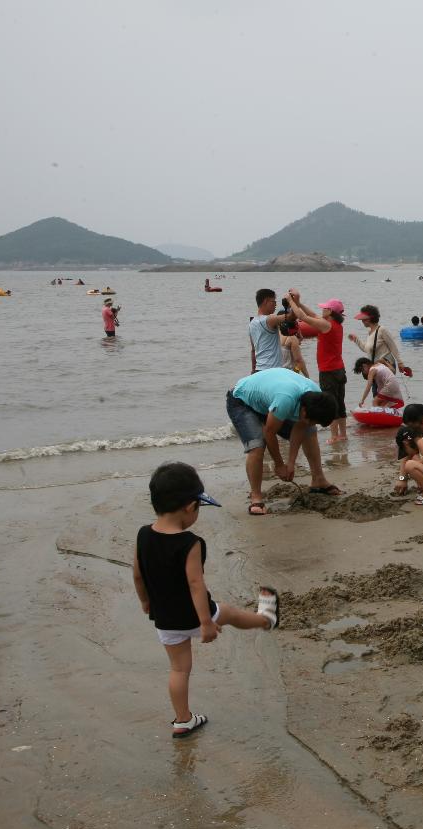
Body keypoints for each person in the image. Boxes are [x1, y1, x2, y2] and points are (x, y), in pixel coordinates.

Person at [133, 462, 279, 739]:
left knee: (178, 669)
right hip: (195, 615)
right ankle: (266, 619)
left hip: (163, 618)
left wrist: (144, 602)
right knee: (233, 615)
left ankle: (183, 720)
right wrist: (205, 623)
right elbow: (195, 584)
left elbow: (138, 574)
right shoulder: (190, 543)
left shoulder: (143, 534)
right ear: (190, 507)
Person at [225, 367, 341, 516]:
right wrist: (279, 464)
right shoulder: (285, 399)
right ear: (304, 411)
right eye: (313, 420)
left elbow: (301, 427)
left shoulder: (317, 397)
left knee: (309, 431)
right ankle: (256, 497)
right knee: (257, 446)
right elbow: (269, 432)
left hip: (270, 400)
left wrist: (291, 463)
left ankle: (318, 480)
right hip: (241, 401)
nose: (313, 423)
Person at [287, 290, 348, 443]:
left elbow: (302, 317)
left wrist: (290, 301)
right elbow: (312, 315)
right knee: (340, 403)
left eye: (325, 308)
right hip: (339, 369)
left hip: (328, 371)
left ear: (331, 311)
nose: (322, 309)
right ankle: (343, 435)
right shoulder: (335, 324)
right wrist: (298, 302)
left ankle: (334, 436)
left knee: (331, 403)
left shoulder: (326, 324)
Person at [348, 305, 407, 375]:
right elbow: (367, 349)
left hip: (386, 366)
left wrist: (400, 362)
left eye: (363, 319)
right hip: (376, 367)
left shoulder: (382, 330)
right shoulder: (370, 332)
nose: (362, 321)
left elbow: (393, 346)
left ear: (369, 319)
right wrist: (356, 339)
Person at [249, 289, 286, 373]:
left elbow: (253, 350)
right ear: (266, 301)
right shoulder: (269, 319)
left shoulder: (252, 323)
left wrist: (253, 370)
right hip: (272, 370)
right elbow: (290, 317)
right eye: (274, 302)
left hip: (259, 369)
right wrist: (293, 302)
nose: (275, 305)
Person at [277, 309, 308, 376]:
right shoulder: (291, 338)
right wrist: (306, 377)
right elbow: (299, 361)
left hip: (276, 373)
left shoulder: (273, 335)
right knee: (299, 365)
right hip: (288, 374)